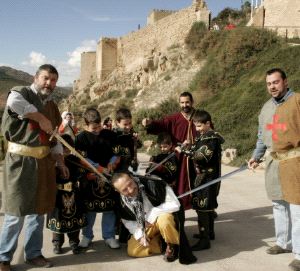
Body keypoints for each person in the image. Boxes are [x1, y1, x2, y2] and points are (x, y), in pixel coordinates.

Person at [0, 64, 68, 271]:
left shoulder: (53, 105)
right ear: (35, 77)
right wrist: (40, 117)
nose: (49, 83)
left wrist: (60, 162)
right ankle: (3, 257)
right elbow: (13, 102)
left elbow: (55, 138)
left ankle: (34, 253)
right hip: (20, 163)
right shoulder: (22, 93)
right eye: (46, 78)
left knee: (38, 212)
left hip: (44, 163)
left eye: (53, 80)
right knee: (15, 212)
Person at [248, 68, 300, 271]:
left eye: (276, 82)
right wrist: (256, 156)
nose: (272, 86)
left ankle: (299, 252)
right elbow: (262, 136)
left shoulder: (296, 101)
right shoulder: (266, 108)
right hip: (273, 161)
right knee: (278, 203)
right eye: (269, 83)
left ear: (285, 82)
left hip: (295, 161)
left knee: (296, 207)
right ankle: (283, 243)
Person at [111, 172, 197, 264]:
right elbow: (128, 222)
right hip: (146, 225)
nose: (131, 190)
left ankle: (172, 244)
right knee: (133, 250)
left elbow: (175, 204)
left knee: (165, 220)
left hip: (162, 217)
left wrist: (152, 214)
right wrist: (140, 236)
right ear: (118, 191)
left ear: (132, 177)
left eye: (130, 184)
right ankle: (162, 244)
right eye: (125, 190)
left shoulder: (154, 183)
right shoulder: (121, 202)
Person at [176, 110, 224, 251]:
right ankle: (209, 233)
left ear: (208, 123)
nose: (196, 129)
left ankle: (205, 240)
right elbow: (196, 148)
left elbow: (201, 156)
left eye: (199, 126)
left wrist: (184, 152)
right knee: (206, 206)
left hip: (207, 178)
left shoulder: (212, 138)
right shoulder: (204, 137)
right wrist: (187, 146)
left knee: (203, 207)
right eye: (196, 126)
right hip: (203, 176)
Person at [75, 108, 120, 249]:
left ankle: (109, 236)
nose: (97, 130)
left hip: (109, 174)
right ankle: (87, 236)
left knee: (109, 208)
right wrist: (98, 169)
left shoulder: (109, 134)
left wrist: (112, 163)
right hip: (91, 177)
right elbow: (82, 159)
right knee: (90, 209)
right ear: (85, 125)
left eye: (99, 126)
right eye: (93, 128)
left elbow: (116, 153)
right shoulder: (81, 138)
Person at [142, 91, 196, 209]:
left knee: (199, 185)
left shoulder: (199, 117)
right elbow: (160, 124)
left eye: (187, 102)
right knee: (180, 186)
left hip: (196, 158)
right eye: (182, 102)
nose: (185, 105)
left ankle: (205, 210)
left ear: (192, 102)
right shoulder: (174, 119)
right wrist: (150, 123)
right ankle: (179, 212)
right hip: (179, 158)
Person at [47, 134, 87, 255]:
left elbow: (82, 174)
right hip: (58, 196)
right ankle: (57, 243)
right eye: (63, 147)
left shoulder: (75, 160)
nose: (66, 150)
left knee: (74, 219)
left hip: (74, 195)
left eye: (68, 147)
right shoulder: (53, 161)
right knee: (58, 220)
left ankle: (74, 242)